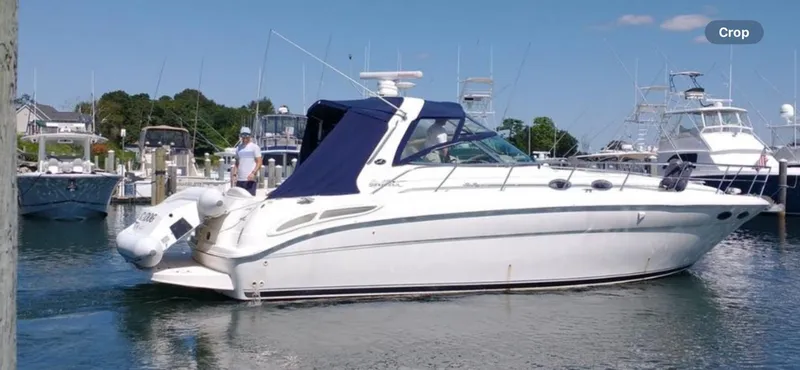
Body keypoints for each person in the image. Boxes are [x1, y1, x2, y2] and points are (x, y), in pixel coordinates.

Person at [231, 126, 262, 196]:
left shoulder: (255, 147)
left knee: (249, 199)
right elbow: (237, 163)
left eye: (247, 136)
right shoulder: (238, 148)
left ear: (250, 136)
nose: (245, 138)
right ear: (241, 136)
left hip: (250, 180)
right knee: (239, 199)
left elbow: (259, 162)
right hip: (240, 180)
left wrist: (253, 173)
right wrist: (235, 174)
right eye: (243, 136)